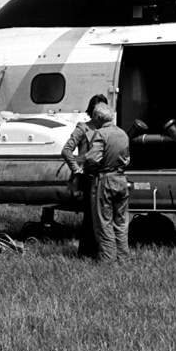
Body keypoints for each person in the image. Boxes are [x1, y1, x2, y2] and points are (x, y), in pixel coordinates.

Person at [83, 103, 131, 263]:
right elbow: (127, 158)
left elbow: (92, 159)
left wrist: (86, 168)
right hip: (121, 179)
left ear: (98, 118)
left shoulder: (100, 134)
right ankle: (123, 258)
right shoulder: (123, 134)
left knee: (104, 223)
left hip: (105, 180)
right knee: (121, 222)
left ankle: (108, 261)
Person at [62, 94, 108, 257]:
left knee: (101, 215)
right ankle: (87, 252)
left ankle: (98, 250)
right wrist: (76, 169)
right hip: (88, 177)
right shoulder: (83, 128)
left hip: (103, 176)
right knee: (91, 215)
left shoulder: (106, 130)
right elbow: (66, 150)